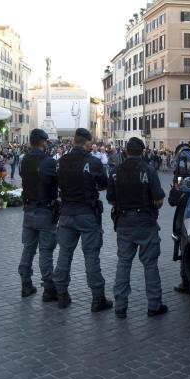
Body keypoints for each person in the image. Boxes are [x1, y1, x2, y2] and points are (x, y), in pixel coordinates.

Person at [52, 128, 113, 312]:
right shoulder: (93, 162)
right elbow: (104, 184)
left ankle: (61, 294)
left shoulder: (61, 161)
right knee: (91, 256)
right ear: (86, 142)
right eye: (90, 142)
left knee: (64, 254)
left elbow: (57, 184)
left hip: (66, 213)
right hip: (87, 213)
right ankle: (97, 298)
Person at [107, 137, 168, 318]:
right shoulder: (148, 170)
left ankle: (120, 306)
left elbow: (111, 199)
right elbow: (159, 200)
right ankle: (154, 305)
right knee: (150, 265)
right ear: (142, 152)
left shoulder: (116, 172)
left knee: (123, 263)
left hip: (124, 223)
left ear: (126, 151)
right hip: (145, 222)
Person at [18, 128, 60, 300]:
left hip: (28, 209)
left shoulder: (24, 160)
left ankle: (25, 283)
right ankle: (49, 288)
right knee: (45, 251)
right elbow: (56, 182)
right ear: (43, 142)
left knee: (28, 248)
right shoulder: (48, 161)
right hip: (44, 209)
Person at [169, 144, 190, 294]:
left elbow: (172, 200)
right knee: (184, 249)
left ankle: (186, 281)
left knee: (185, 249)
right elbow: (172, 200)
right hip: (187, 217)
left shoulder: (182, 175)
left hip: (189, 217)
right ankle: (186, 280)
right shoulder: (179, 175)